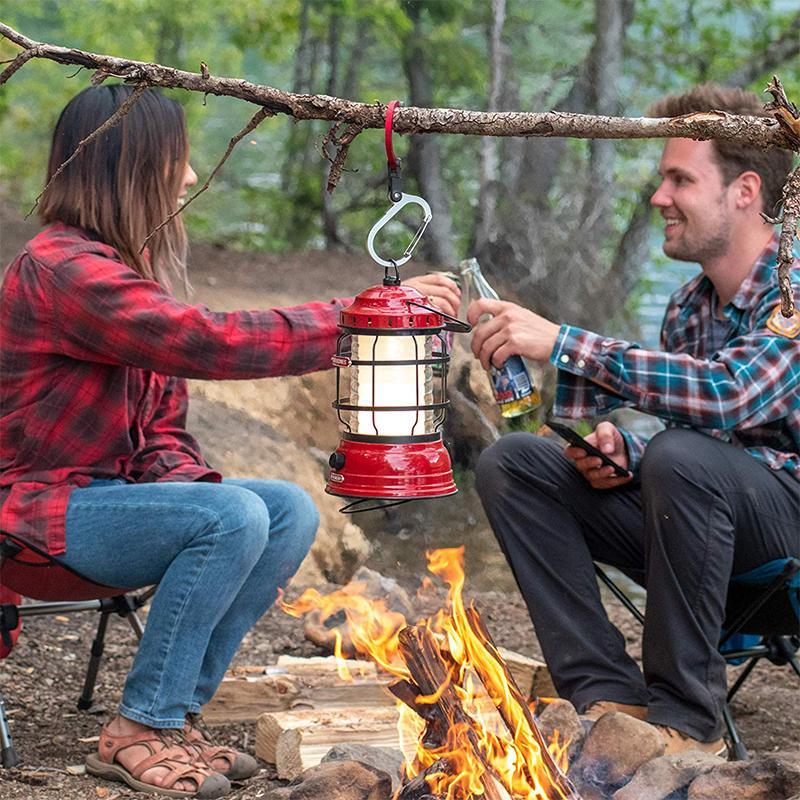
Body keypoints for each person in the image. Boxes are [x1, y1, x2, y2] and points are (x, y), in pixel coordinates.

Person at [0, 84, 460, 798]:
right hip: (32, 518)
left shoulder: (130, 273)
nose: (189, 178)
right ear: (133, 167)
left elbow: (160, 436)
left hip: (105, 510)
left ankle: (175, 715)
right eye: (180, 161)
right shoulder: (63, 270)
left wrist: (216, 513)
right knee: (236, 515)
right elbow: (207, 342)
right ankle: (140, 727)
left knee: (283, 510)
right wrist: (366, 317)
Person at [469, 83, 799, 756]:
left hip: (787, 545)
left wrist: (563, 342)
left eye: (679, 179)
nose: (659, 198)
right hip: (701, 535)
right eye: (661, 180)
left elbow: (730, 396)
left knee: (682, 456)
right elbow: (698, 437)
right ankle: (607, 694)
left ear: (744, 191)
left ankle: (685, 723)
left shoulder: (796, 287)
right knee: (517, 465)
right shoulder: (688, 307)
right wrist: (626, 448)